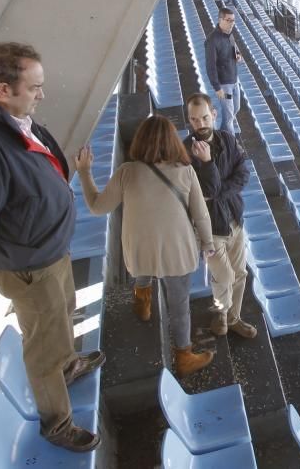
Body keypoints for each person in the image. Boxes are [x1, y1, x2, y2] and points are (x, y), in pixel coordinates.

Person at [0, 42, 104, 452]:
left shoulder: (13, 119)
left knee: (63, 315)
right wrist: (2, 259)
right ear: (3, 89)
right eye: (34, 87)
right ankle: (57, 423)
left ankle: (69, 365)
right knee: (43, 348)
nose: (42, 94)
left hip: (48, 250)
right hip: (29, 265)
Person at [74, 115, 214, 377]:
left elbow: (96, 207)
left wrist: (84, 172)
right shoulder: (185, 171)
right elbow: (201, 214)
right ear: (173, 142)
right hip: (177, 251)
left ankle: (143, 304)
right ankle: (184, 356)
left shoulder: (127, 171)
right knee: (180, 304)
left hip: (138, 251)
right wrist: (207, 243)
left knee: (144, 264)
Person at [183, 92, 256, 340]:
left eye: (204, 117)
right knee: (224, 276)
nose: (200, 124)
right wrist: (206, 163)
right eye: (194, 120)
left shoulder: (228, 139)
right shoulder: (186, 152)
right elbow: (207, 190)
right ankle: (221, 313)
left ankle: (232, 318)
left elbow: (243, 173)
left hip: (235, 219)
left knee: (241, 273)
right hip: (210, 229)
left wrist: (219, 193)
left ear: (213, 114)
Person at [204, 8, 242, 134]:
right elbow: (210, 66)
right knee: (229, 116)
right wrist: (217, 87)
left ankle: (222, 136)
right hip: (224, 85)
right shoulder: (212, 40)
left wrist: (238, 54)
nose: (232, 23)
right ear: (220, 20)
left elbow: (234, 47)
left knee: (235, 109)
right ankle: (232, 146)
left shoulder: (230, 34)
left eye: (233, 20)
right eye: (228, 20)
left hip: (234, 81)